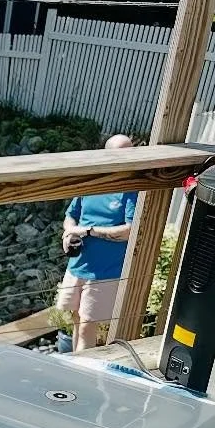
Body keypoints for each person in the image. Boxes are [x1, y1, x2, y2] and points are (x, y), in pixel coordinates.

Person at [56, 133, 137, 351]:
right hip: (77, 266)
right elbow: (70, 216)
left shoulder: (130, 189)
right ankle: (75, 364)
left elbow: (130, 230)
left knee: (86, 326)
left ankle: (81, 375)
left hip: (104, 271)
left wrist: (90, 231)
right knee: (74, 319)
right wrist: (70, 233)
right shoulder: (92, 184)